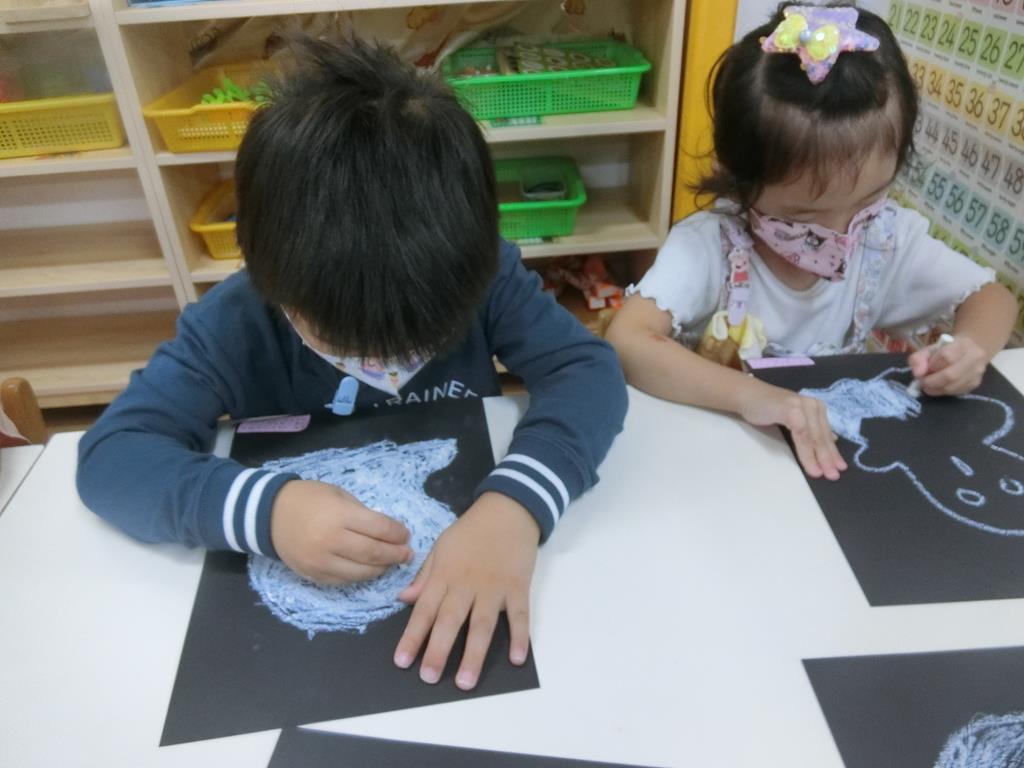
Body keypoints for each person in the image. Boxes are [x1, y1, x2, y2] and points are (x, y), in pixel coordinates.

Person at [77, 37, 627, 692]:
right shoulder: (234, 322)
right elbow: (113, 457)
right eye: (344, 336)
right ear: (263, 266)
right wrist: (266, 511)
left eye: (418, 337)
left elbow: (588, 372)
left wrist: (516, 505)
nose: (381, 360)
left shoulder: (489, 276)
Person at [607, 3, 1017, 481]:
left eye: (868, 200)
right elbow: (627, 341)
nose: (841, 232)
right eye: (803, 216)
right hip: (721, 465)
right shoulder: (709, 247)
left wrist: (969, 349)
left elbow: (992, 298)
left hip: (825, 472)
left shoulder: (883, 238)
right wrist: (752, 395)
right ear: (737, 175)